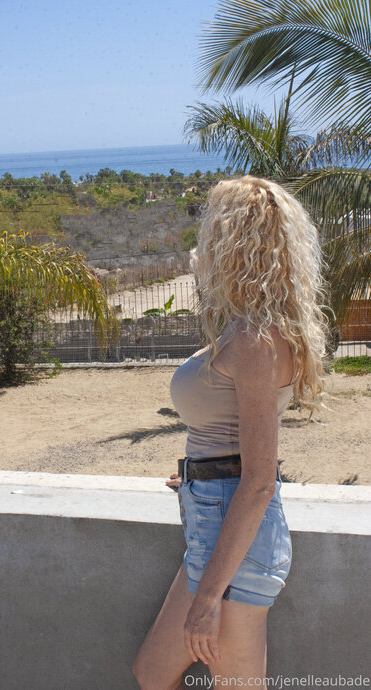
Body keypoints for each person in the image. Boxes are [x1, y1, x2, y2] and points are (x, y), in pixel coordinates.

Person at [132, 175, 330, 689]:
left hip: (236, 540)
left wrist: (206, 601)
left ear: (233, 244)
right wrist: (198, 475)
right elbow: (229, 437)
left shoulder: (254, 339)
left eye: (213, 231)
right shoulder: (251, 328)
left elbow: (260, 480)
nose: (205, 245)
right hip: (215, 518)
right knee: (152, 673)